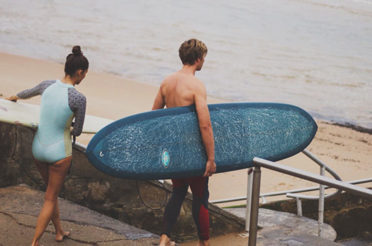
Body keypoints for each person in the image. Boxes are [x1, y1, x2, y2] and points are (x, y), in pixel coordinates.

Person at [6, 46, 89, 246]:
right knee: (50, 198)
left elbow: (25, 93)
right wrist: (66, 126)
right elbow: (77, 131)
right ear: (79, 72)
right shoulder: (79, 98)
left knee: (52, 193)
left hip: (38, 149)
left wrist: (12, 98)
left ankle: (59, 231)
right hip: (58, 153)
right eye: (85, 74)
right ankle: (34, 242)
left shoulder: (47, 85)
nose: (84, 77)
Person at [152, 39, 216, 246]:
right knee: (200, 197)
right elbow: (205, 125)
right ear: (198, 59)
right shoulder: (197, 86)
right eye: (204, 57)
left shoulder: (166, 82)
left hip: (174, 152)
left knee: (178, 193)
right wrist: (211, 158)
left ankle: (164, 239)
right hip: (193, 152)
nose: (204, 60)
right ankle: (204, 243)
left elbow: (153, 117)